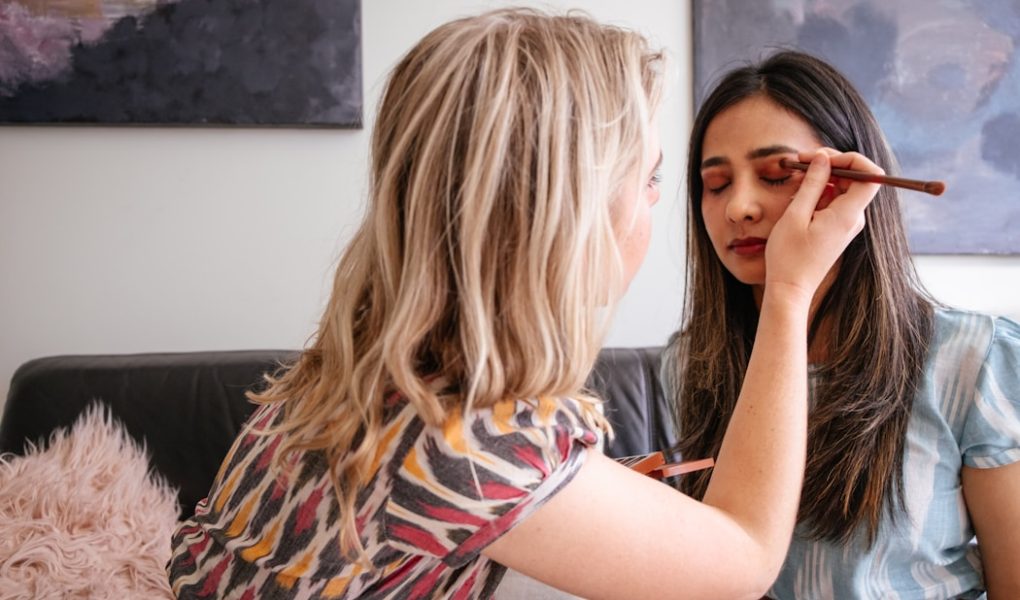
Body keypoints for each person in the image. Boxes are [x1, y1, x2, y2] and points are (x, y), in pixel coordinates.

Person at [167, 12, 876, 599]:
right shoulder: (466, 437)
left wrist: (578, 493)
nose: (668, 205)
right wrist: (788, 294)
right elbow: (744, 561)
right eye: (652, 178)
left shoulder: (365, 369)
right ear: (566, 208)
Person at [662, 49, 1020, 600]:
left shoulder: (974, 358)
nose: (740, 206)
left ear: (853, 185)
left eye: (780, 174)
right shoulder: (691, 363)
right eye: (715, 185)